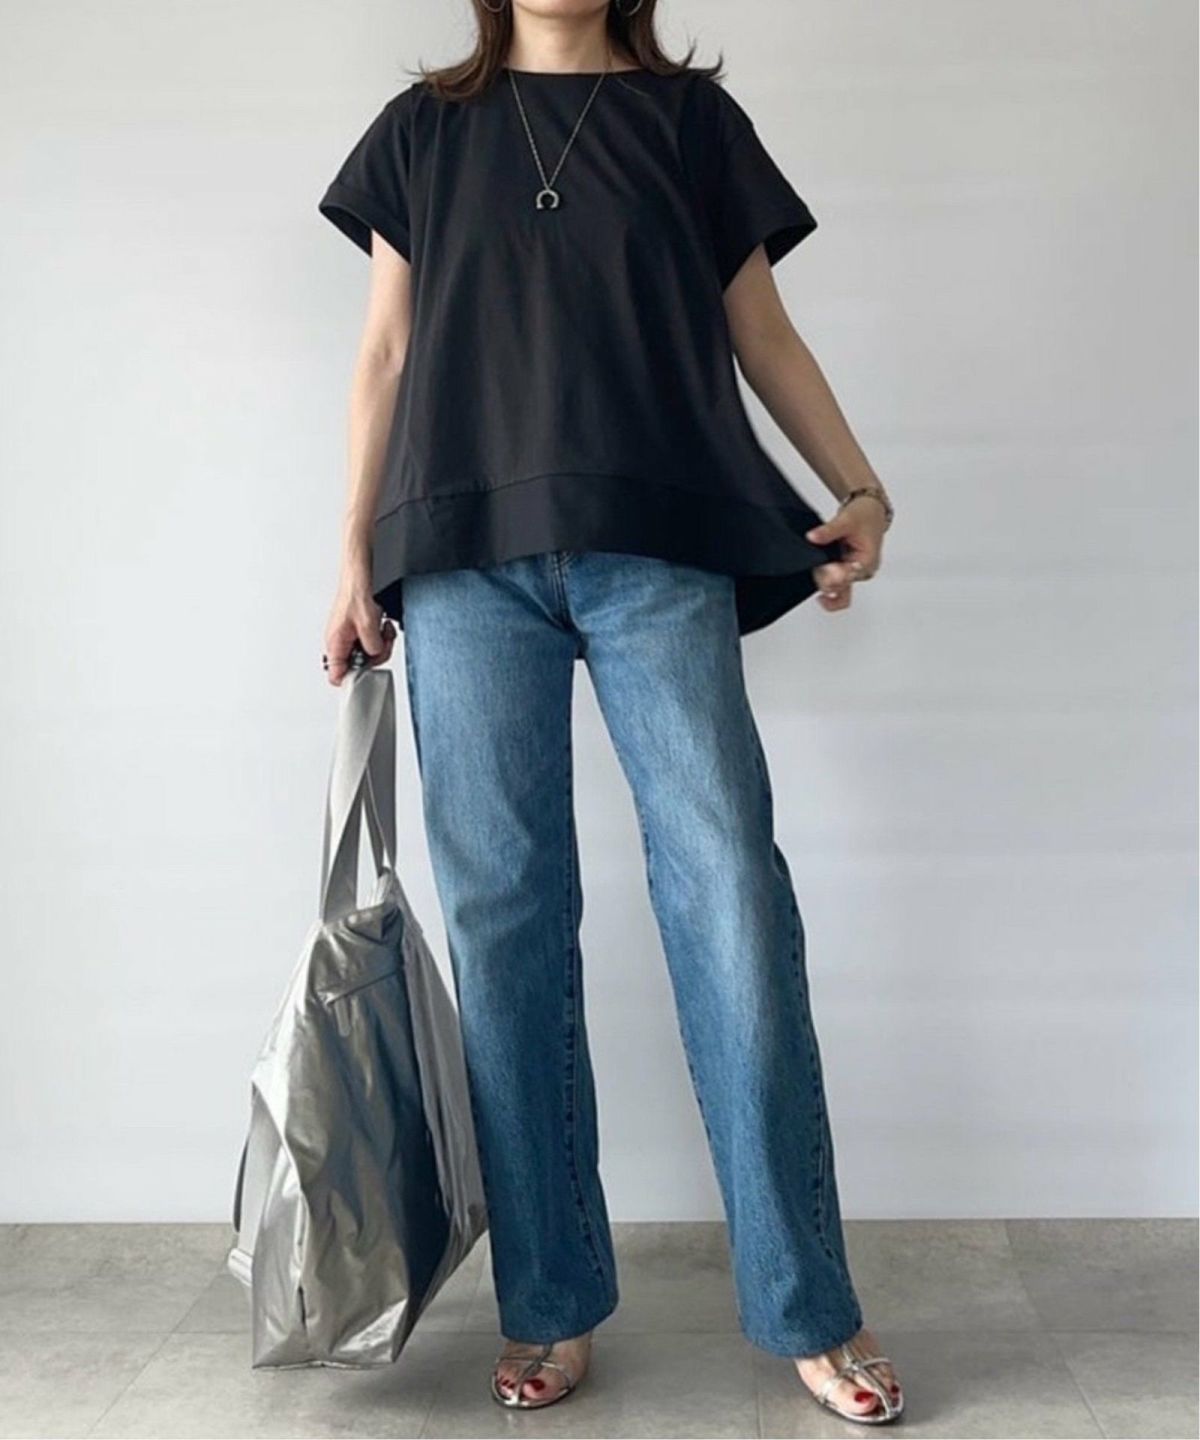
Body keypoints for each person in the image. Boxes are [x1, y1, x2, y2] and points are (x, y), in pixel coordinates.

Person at [317, 0, 902, 1424]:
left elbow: (760, 329)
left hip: (661, 551)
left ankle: (807, 1308)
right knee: (506, 924)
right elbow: (386, 352)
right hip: (463, 561)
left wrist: (860, 483)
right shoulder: (422, 133)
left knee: (730, 895)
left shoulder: (693, 124)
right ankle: (551, 1301)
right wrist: (349, 559)